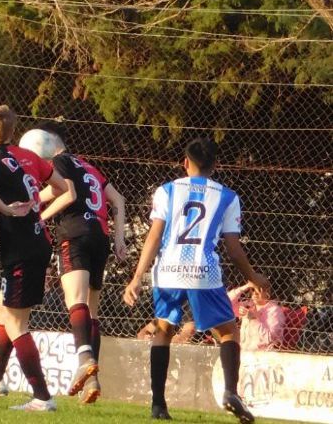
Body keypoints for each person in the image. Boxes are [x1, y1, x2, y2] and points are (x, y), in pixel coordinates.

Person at [123, 137, 270, 423]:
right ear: (215, 166)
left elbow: (154, 235)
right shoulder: (227, 197)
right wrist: (252, 276)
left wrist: (137, 277)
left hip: (167, 269)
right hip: (204, 271)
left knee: (163, 331)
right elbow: (233, 247)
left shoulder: (166, 191)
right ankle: (230, 392)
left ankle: (158, 405)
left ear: (185, 162)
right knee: (228, 333)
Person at [0, 106, 66, 412]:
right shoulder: (29, 156)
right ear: (13, 130)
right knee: (2, 310)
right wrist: (34, 202)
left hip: (20, 247)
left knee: (16, 322)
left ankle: (43, 397)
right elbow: (61, 187)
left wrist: (7, 209)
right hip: (38, 241)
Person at [21, 121, 127, 404]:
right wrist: (119, 239)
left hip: (75, 233)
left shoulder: (59, 161)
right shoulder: (88, 167)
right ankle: (92, 377)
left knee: (75, 301)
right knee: (91, 312)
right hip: (100, 237)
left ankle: (84, 360)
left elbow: (65, 192)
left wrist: (37, 216)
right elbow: (118, 199)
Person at [228, 284, 286, 351]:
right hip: (244, 351)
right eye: (253, 289)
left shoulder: (274, 310)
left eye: (259, 290)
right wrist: (245, 287)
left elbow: (270, 338)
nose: (255, 293)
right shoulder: (249, 304)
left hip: (264, 353)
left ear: (267, 293)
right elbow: (224, 304)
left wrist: (254, 319)